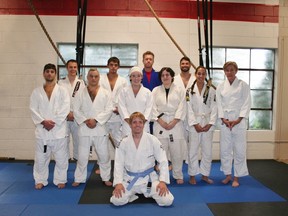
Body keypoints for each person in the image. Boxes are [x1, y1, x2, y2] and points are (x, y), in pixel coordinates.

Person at [110, 112, 174, 206]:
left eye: (140, 122)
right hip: (130, 180)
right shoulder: (123, 142)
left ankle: (144, 193)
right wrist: (118, 183)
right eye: (134, 122)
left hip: (149, 179)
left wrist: (162, 181)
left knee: (167, 201)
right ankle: (132, 194)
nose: (137, 125)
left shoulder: (153, 140)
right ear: (130, 125)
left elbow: (163, 160)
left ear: (144, 124)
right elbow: (118, 164)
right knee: (116, 201)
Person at [30, 63, 70, 190]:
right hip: (42, 131)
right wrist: (43, 122)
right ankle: (40, 180)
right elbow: (32, 109)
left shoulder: (62, 91)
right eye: (47, 71)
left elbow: (65, 108)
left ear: (55, 74)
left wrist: (53, 123)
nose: (49, 74)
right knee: (41, 158)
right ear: (43, 73)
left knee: (61, 158)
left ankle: (60, 179)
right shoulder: (36, 92)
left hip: (58, 130)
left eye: (52, 71)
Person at [72, 68, 113, 187]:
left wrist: (96, 120)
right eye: (91, 76)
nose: (93, 78)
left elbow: (109, 109)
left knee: (104, 155)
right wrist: (86, 120)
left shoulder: (105, 93)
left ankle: (106, 177)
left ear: (99, 78)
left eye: (96, 76)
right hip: (85, 128)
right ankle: (79, 178)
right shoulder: (80, 93)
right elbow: (76, 109)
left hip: (100, 128)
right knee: (82, 156)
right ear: (87, 77)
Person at [216, 61, 251, 187]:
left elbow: (247, 103)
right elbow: (218, 104)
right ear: (224, 72)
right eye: (227, 70)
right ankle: (227, 175)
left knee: (239, 149)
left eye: (231, 70)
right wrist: (223, 118)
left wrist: (238, 119)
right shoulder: (220, 86)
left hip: (239, 121)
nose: (229, 72)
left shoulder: (243, 85)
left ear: (236, 71)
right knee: (225, 149)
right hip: (225, 120)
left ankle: (236, 177)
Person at [151, 67, 186, 184]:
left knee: (177, 152)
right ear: (160, 77)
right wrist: (161, 121)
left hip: (175, 124)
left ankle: (178, 175)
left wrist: (174, 121)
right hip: (160, 123)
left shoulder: (180, 90)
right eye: (163, 75)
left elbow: (182, 106)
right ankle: (163, 176)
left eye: (167, 75)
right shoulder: (155, 91)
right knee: (161, 152)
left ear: (172, 76)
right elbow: (152, 107)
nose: (165, 77)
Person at [186, 66, 217, 185]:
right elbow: (188, 108)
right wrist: (194, 124)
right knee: (192, 150)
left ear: (205, 75)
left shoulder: (211, 90)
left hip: (207, 123)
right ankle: (192, 175)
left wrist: (210, 123)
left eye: (203, 74)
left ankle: (205, 175)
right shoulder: (189, 90)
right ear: (195, 74)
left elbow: (215, 108)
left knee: (207, 151)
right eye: (199, 73)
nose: (201, 76)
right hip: (195, 124)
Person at [58, 59, 85, 161]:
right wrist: (67, 112)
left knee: (78, 141)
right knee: (64, 141)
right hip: (64, 117)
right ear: (67, 68)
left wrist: (74, 112)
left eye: (74, 67)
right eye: (70, 67)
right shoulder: (61, 82)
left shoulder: (81, 83)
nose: (73, 69)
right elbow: (59, 100)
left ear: (77, 68)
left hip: (76, 117)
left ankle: (78, 162)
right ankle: (64, 162)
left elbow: (83, 100)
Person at [100, 57, 128, 147]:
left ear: (118, 67)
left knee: (119, 140)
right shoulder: (100, 79)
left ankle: (120, 161)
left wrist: (119, 108)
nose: (113, 67)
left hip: (117, 115)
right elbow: (98, 96)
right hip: (104, 115)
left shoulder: (123, 81)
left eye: (115, 65)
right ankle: (103, 161)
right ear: (107, 65)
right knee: (102, 140)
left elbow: (125, 97)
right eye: (111, 65)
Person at [118, 66, 153, 137]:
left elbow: (149, 109)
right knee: (127, 146)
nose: (136, 78)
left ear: (142, 77)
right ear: (130, 77)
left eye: (138, 76)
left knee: (143, 146)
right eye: (133, 76)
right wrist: (130, 122)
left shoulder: (147, 92)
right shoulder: (124, 91)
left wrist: (140, 122)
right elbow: (121, 107)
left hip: (143, 125)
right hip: (128, 125)